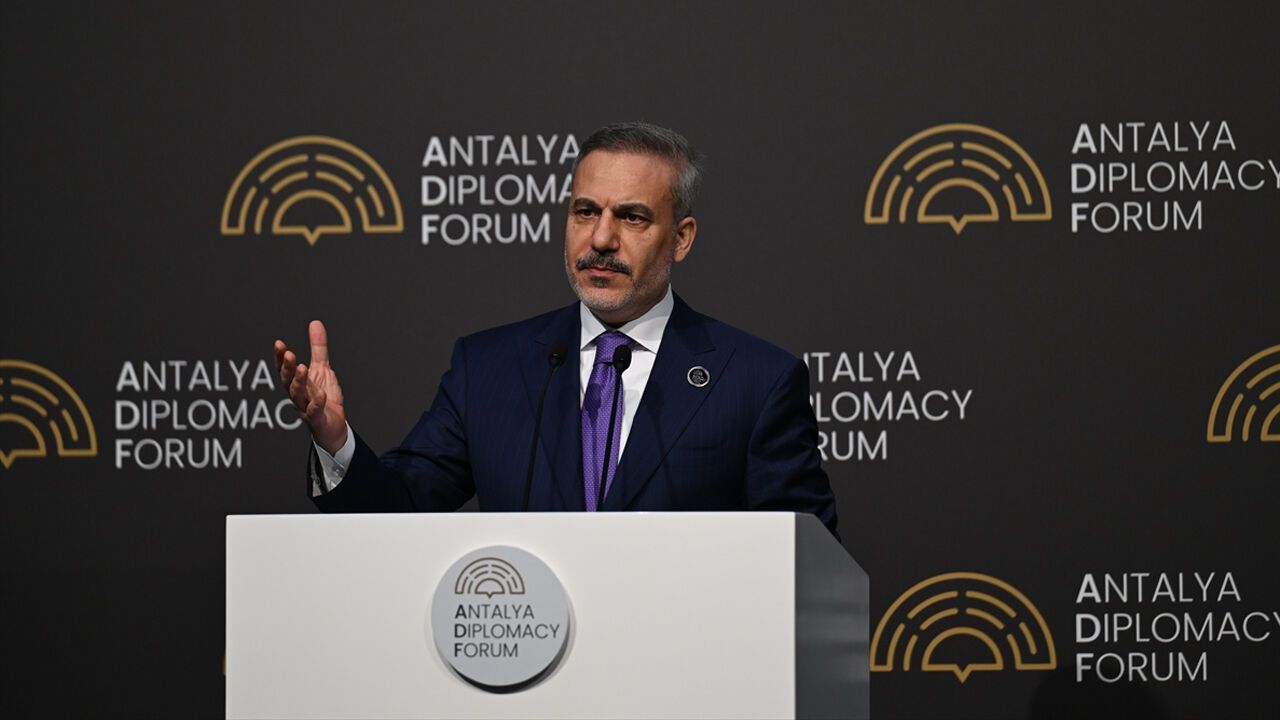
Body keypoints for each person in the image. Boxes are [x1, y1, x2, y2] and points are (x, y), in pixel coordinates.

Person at [274, 122, 838, 535]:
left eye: (632, 217)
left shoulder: (757, 382)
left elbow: (804, 563)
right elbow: (396, 515)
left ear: (682, 238)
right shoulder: (488, 369)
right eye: (586, 211)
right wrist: (334, 440)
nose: (601, 239)